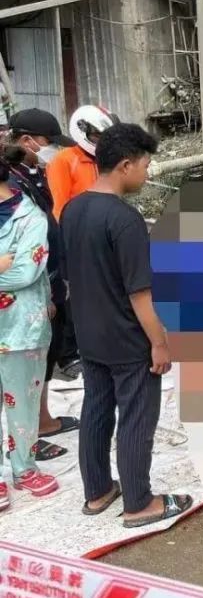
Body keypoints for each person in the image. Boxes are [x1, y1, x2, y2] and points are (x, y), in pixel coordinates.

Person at [61, 123, 193, 527]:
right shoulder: (125, 219)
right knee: (137, 416)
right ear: (124, 165)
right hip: (127, 338)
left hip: (90, 334)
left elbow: (71, 278)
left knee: (96, 409)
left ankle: (98, 491)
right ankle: (139, 503)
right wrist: (159, 343)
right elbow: (140, 294)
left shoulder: (72, 210)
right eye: (145, 165)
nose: (147, 174)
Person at [5, 109, 81, 462]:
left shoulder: (32, 173)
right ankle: (25, 441)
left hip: (47, 277)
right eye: (47, 142)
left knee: (45, 354)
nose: (52, 150)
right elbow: (18, 250)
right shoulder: (11, 185)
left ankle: (43, 421)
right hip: (29, 286)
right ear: (26, 141)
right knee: (25, 363)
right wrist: (43, 293)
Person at [0, 144, 60, 511]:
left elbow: (25, 272)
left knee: (22, 402)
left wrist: (10, 266)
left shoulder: (30, 218)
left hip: (22, 327)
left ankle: (24, 468)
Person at [47, 104, 119, 221]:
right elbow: (60, 207)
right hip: (79, 224)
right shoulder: (64, 160)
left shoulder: (106, 158)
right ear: (82, 129)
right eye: (98, 136)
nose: (104, 141)